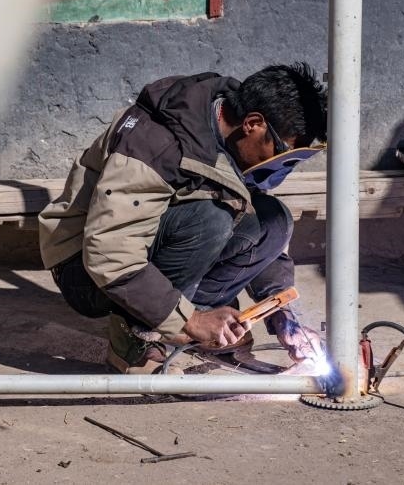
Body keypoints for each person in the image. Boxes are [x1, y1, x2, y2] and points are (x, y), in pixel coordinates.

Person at [38, 64, 328, 374]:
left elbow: (253, 222)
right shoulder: (156, 143)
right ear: (253, 124)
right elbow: (109, 253)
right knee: (210, 219)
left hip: (133, 251)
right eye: (282, 152)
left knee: (273, 219)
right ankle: (136, 338)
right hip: (85, 267)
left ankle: (196, 325)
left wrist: (281, 311)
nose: (282, 166)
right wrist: (191, 320)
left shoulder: (231, 135)